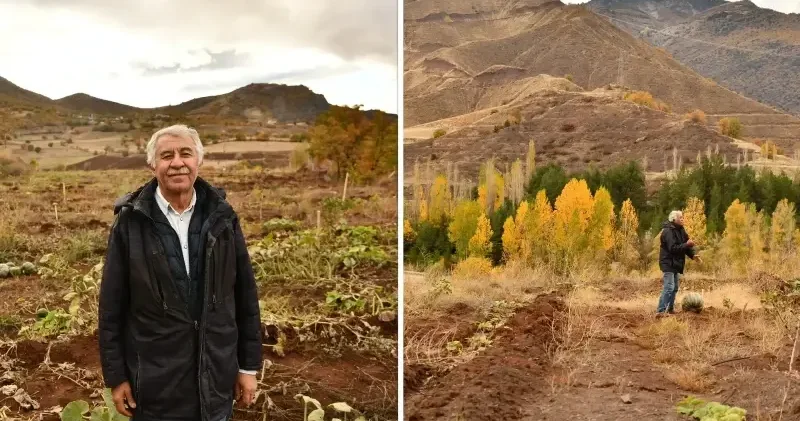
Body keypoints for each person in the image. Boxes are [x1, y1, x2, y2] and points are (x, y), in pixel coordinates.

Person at [98, 124, 262, 421]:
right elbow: (111, 307)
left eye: (185, 153)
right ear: (153, 164)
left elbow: (244, 296)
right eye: (166, 156)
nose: (177, 163)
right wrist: (116, 377)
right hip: (156, 385)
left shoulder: (223, 217)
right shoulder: (130, 223)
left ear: (198, 160)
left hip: (216, 377)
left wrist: (247, 367)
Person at [657, 210, 702, 315]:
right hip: (668, 262)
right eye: (680, 217)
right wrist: (687, 244)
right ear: (674, 219)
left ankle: (670, 309)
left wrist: (692, 255)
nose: (682, 219)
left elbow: (686, 246)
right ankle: (661, 311)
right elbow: (673, 248)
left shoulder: (681, 230)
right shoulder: (668, 231)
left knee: (675, 288)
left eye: (682, 217)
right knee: (669, 287)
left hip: (676, 263)